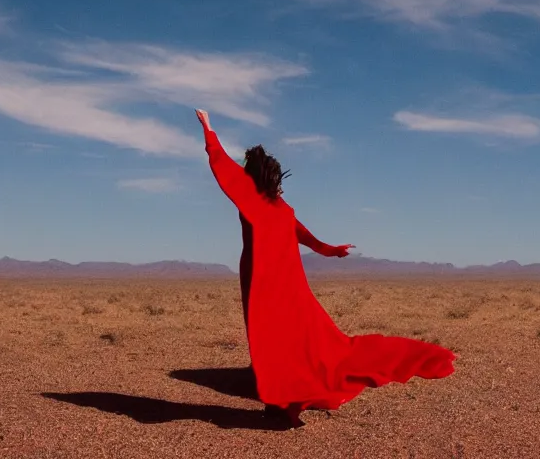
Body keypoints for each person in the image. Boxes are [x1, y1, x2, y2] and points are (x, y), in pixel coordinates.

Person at [195, 108, 456, 425]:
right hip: (289, 285)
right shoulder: (280, 208)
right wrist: (326, 249)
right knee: (298, 340)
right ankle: (285, 401)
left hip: (265, 284)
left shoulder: (251, 197)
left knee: (273, 339)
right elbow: (299, 230)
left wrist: (209, 129)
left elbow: (221, 165)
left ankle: (283, 403)